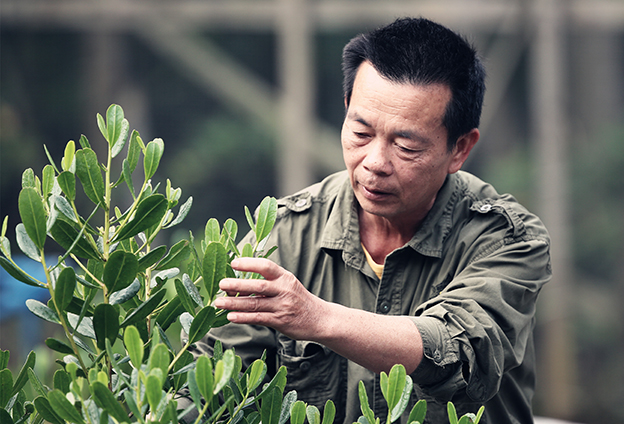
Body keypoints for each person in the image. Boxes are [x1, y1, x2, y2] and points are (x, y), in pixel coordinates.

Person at [187, 17, 551, 424]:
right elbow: (210, 388)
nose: (375, 163)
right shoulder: (283, 233)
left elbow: (461, 353)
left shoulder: (507, 239)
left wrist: (316, 318)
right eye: (361, 133)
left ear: (459, 149)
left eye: (406, 145)